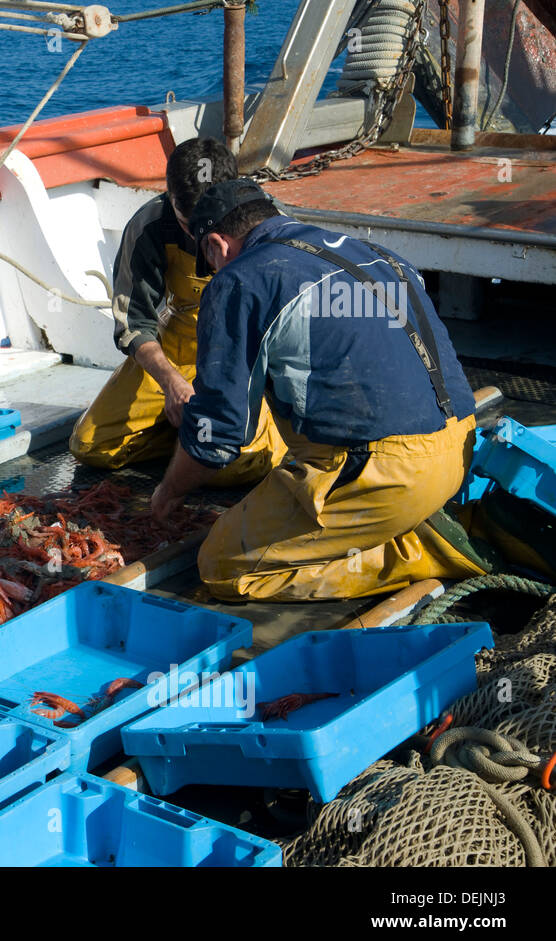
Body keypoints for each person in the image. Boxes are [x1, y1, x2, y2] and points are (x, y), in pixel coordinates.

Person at [150, 179, 490, 601]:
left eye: (209, 261)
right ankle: (399, 517)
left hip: (389, 473)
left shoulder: (241, 280)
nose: (214, 272)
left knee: (222, 566)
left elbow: (217, 435)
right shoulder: (371, 251)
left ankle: (417, 551)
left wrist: (170, 490)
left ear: (217, 245)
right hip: (460, 444)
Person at [69, 137, 285, 483]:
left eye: (211, 224)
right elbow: (134, 322)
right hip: (179, 345)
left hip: (247, 354)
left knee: (243, 463)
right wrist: (171, 383)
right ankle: (193, 430)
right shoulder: (149, 226)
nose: (203, 237)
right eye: (190, 224)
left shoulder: (269, 223)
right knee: (93, 447)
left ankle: (231, 431)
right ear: (170, 198)